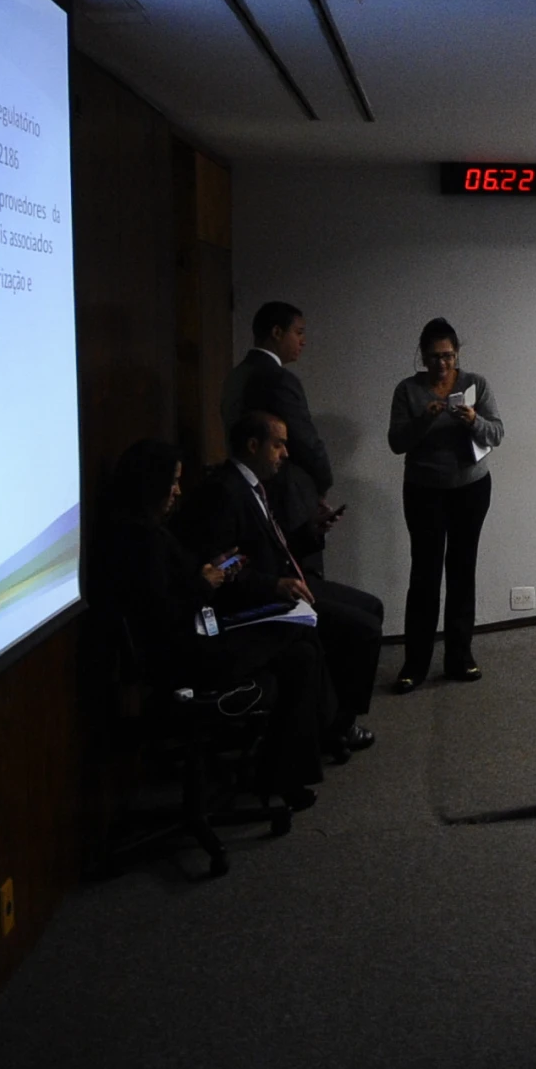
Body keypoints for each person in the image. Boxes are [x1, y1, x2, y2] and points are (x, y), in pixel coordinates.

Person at [102, 439, 326, 811]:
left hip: (196, 637)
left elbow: (182, 576)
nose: (176, 492)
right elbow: (163, 614)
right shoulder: (136, 541)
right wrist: (206, 583)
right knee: (298, 635)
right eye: (171, 482)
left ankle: (282, 774)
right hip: (181, 656)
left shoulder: (153, 530)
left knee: (301, 651)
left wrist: (216, 566)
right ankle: (282, 775)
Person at [184, 412, 379, 760]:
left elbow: (272, 547)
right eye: (278, 444)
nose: (286, 454)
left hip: (288, 582)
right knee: (361, 629)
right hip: (262, 599)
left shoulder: (255, 485)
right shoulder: (225, 491)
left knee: (372, 608)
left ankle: (336, 717)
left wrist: (310, 532)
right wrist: (273, 585)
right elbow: (222, 567)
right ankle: (338, 727)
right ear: (253, 445)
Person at [388, 318, 503, 691]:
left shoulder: (476, 384)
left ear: (458, 354)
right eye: (435, 357)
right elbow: (397, 442)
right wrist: (423, 420)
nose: (442, 364)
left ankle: (459, 656)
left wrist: (473, 420)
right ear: (422, 356)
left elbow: (497, 432)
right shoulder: (408, 390)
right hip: (423, 491)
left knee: (461, 569)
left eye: (449, 356)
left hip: (470, 488)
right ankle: (415, 663)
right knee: (424, 575)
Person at [221, 300, 342, 575]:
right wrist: (323, 484)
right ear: (277, 332)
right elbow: (305, 441)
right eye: (298, 332)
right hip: (289, 496)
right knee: (302, 582)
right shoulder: (279, 378)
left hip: (248, 490)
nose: (304, 341)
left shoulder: (234, 377)